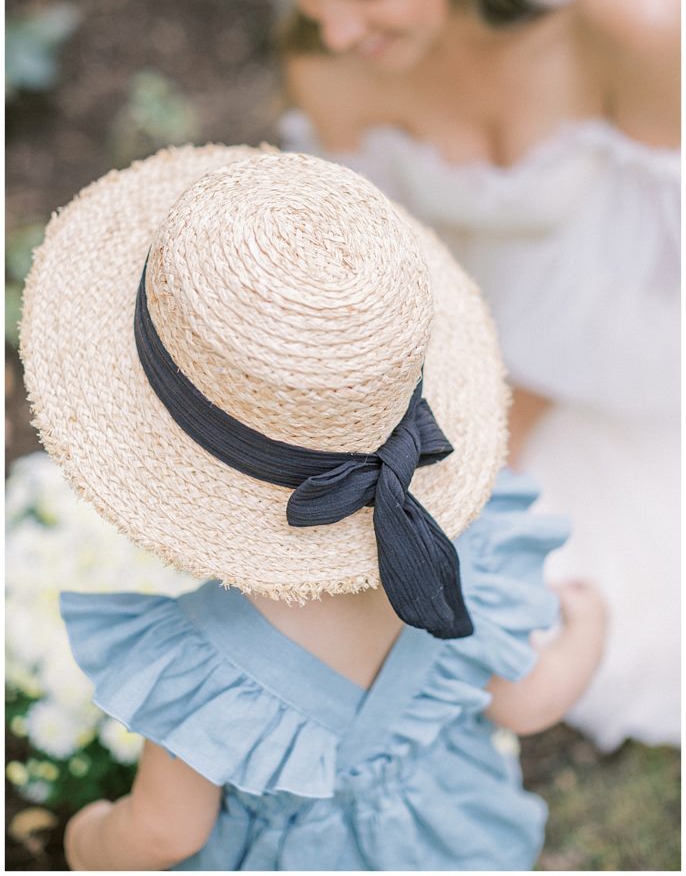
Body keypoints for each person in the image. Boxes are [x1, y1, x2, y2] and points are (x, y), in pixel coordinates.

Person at [20, 145, 604, 870]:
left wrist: (85, 836)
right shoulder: (460, 555)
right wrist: (587, 624)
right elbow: (526, 706)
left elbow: (164, 834)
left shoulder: (209, 666)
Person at [259, 0, 680, 751]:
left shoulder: (630, 14)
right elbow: (368, 262)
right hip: (476, 345)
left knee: (542, 627)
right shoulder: (325, 57)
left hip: (645, 338)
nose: (334, 29)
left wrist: (529, 399)